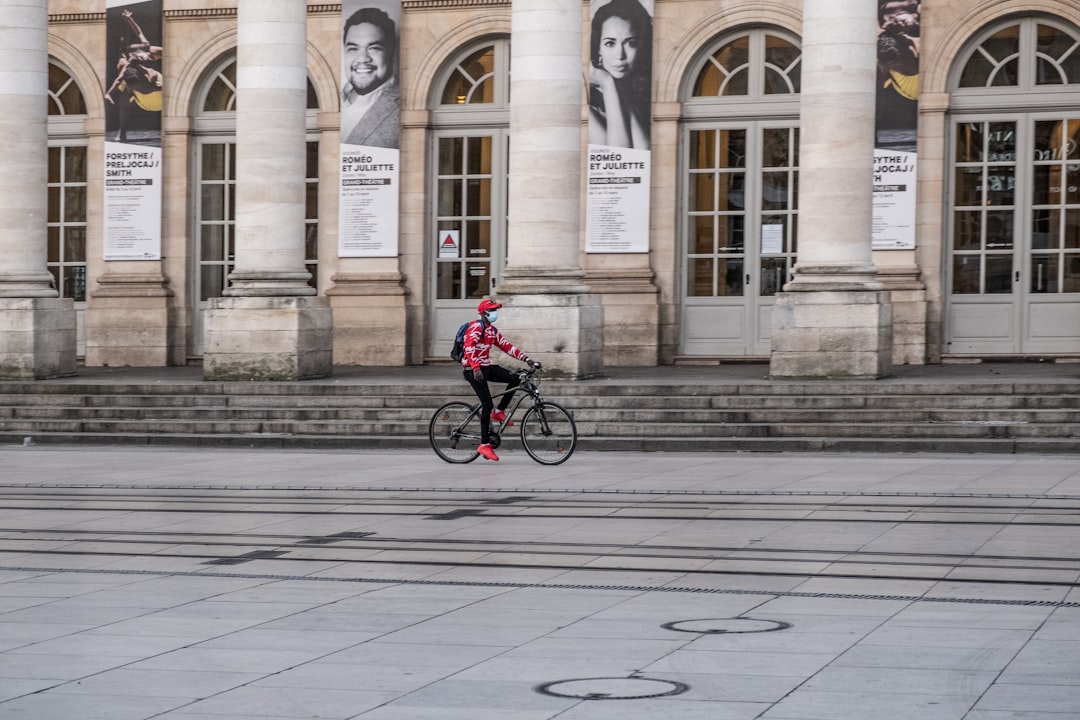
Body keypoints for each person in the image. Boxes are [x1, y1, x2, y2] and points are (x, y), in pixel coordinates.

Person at [461, 299, 541, 462]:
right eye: (492, 310)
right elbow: (469, 347)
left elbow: (507, 346)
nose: (495, 312)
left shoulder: (492, 331)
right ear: (484, 313)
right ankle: (484, 444)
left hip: (486, 368)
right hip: (473, 371)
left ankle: (499, 412)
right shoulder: (477, 327)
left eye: (496, 309)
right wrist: (475, 367)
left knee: (518, 377)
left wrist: (527, 360)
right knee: (487, 404)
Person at [588, 0, 651, 150]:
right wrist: (608, 83)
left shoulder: (645, 95)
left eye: (631, 43)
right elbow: (618, 155)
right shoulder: (587, 104)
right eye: (610, 43)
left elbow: (643, 151)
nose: (620, 55)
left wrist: (615, 90)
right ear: (598, 49)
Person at [341, 7, 400, 149]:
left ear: (391, 53)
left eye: (373, 48)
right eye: (353, 48)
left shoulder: (400, 103)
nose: (362, 59)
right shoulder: (337, 101)